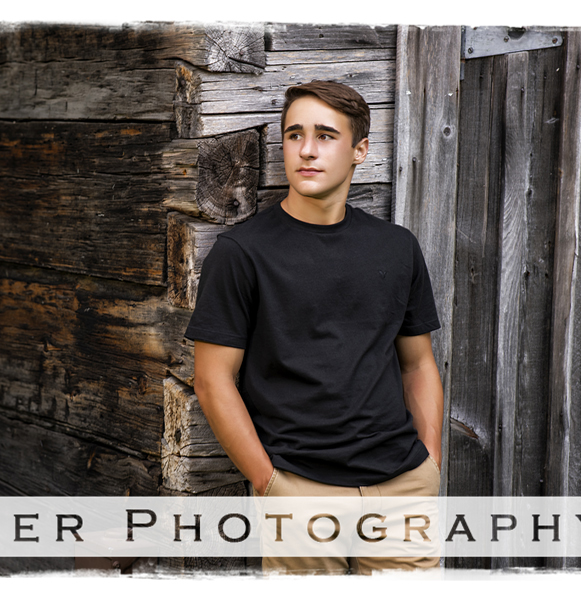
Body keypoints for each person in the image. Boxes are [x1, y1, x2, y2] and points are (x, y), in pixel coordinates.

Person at [183, 80, 444, 575]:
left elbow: (417, 364)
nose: (306, 149)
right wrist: (270, 485)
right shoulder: (242, 254)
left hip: (402, 488)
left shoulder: (396, 247)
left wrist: (429, 463)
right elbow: (212, 381)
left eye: (325, 135)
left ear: (359, 150)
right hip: (300, 489)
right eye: (294, 135)